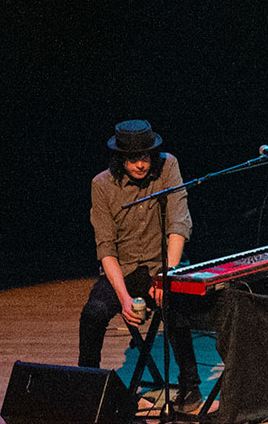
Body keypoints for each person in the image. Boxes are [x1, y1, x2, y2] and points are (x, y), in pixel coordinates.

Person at [81, 120, 202, 408]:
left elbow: (178, 224)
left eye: (145, 157)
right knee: (93, 313)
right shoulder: (101, 185)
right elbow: (106, 248)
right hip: (123, 272)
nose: (139, 165)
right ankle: (87, 388)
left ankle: (190, 384)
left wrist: (167, 276)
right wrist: (123, 298)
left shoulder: (168, 167)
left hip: (162, 265)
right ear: (120, 158)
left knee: (173, 303)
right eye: (132, 159)